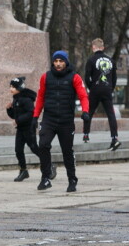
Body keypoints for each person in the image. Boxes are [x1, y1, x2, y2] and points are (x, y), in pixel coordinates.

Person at [33, 50, 89, 193]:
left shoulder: (74, 77)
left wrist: (85, 111)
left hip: (65, 120)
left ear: (66, 62)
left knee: (67, 151)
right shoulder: (45, 77)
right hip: (49, 119)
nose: (58, 64)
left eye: (61, 61)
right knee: (43, 145)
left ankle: (72, 179)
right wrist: (35, 116)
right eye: (56, 61)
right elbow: (40, 97)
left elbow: (83, 95)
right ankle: (45, 177)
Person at [82, 38, 120, 150]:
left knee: (89, 112)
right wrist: (110, 88)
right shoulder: (111, 60)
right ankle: (114, 137)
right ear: (103, 48)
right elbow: (114, 78)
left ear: (93, 47)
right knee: (110, 114)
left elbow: (87, 77)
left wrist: (91, 88)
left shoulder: (91, 60)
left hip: (95, 89)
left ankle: (86, 135)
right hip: (107, 89)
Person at [6, 76, 43, 182]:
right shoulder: (16, 98)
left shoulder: (26, 99)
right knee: (18, 150)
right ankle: (23, 171)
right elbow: (14, 115)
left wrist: (18, 120)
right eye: (10, 86)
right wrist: (8, 109)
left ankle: (48, 165)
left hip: (29, 128)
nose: (11, 89)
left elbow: (31, 113)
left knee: (34, 148)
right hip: (21, 128)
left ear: (19, 88)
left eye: (13, 87)